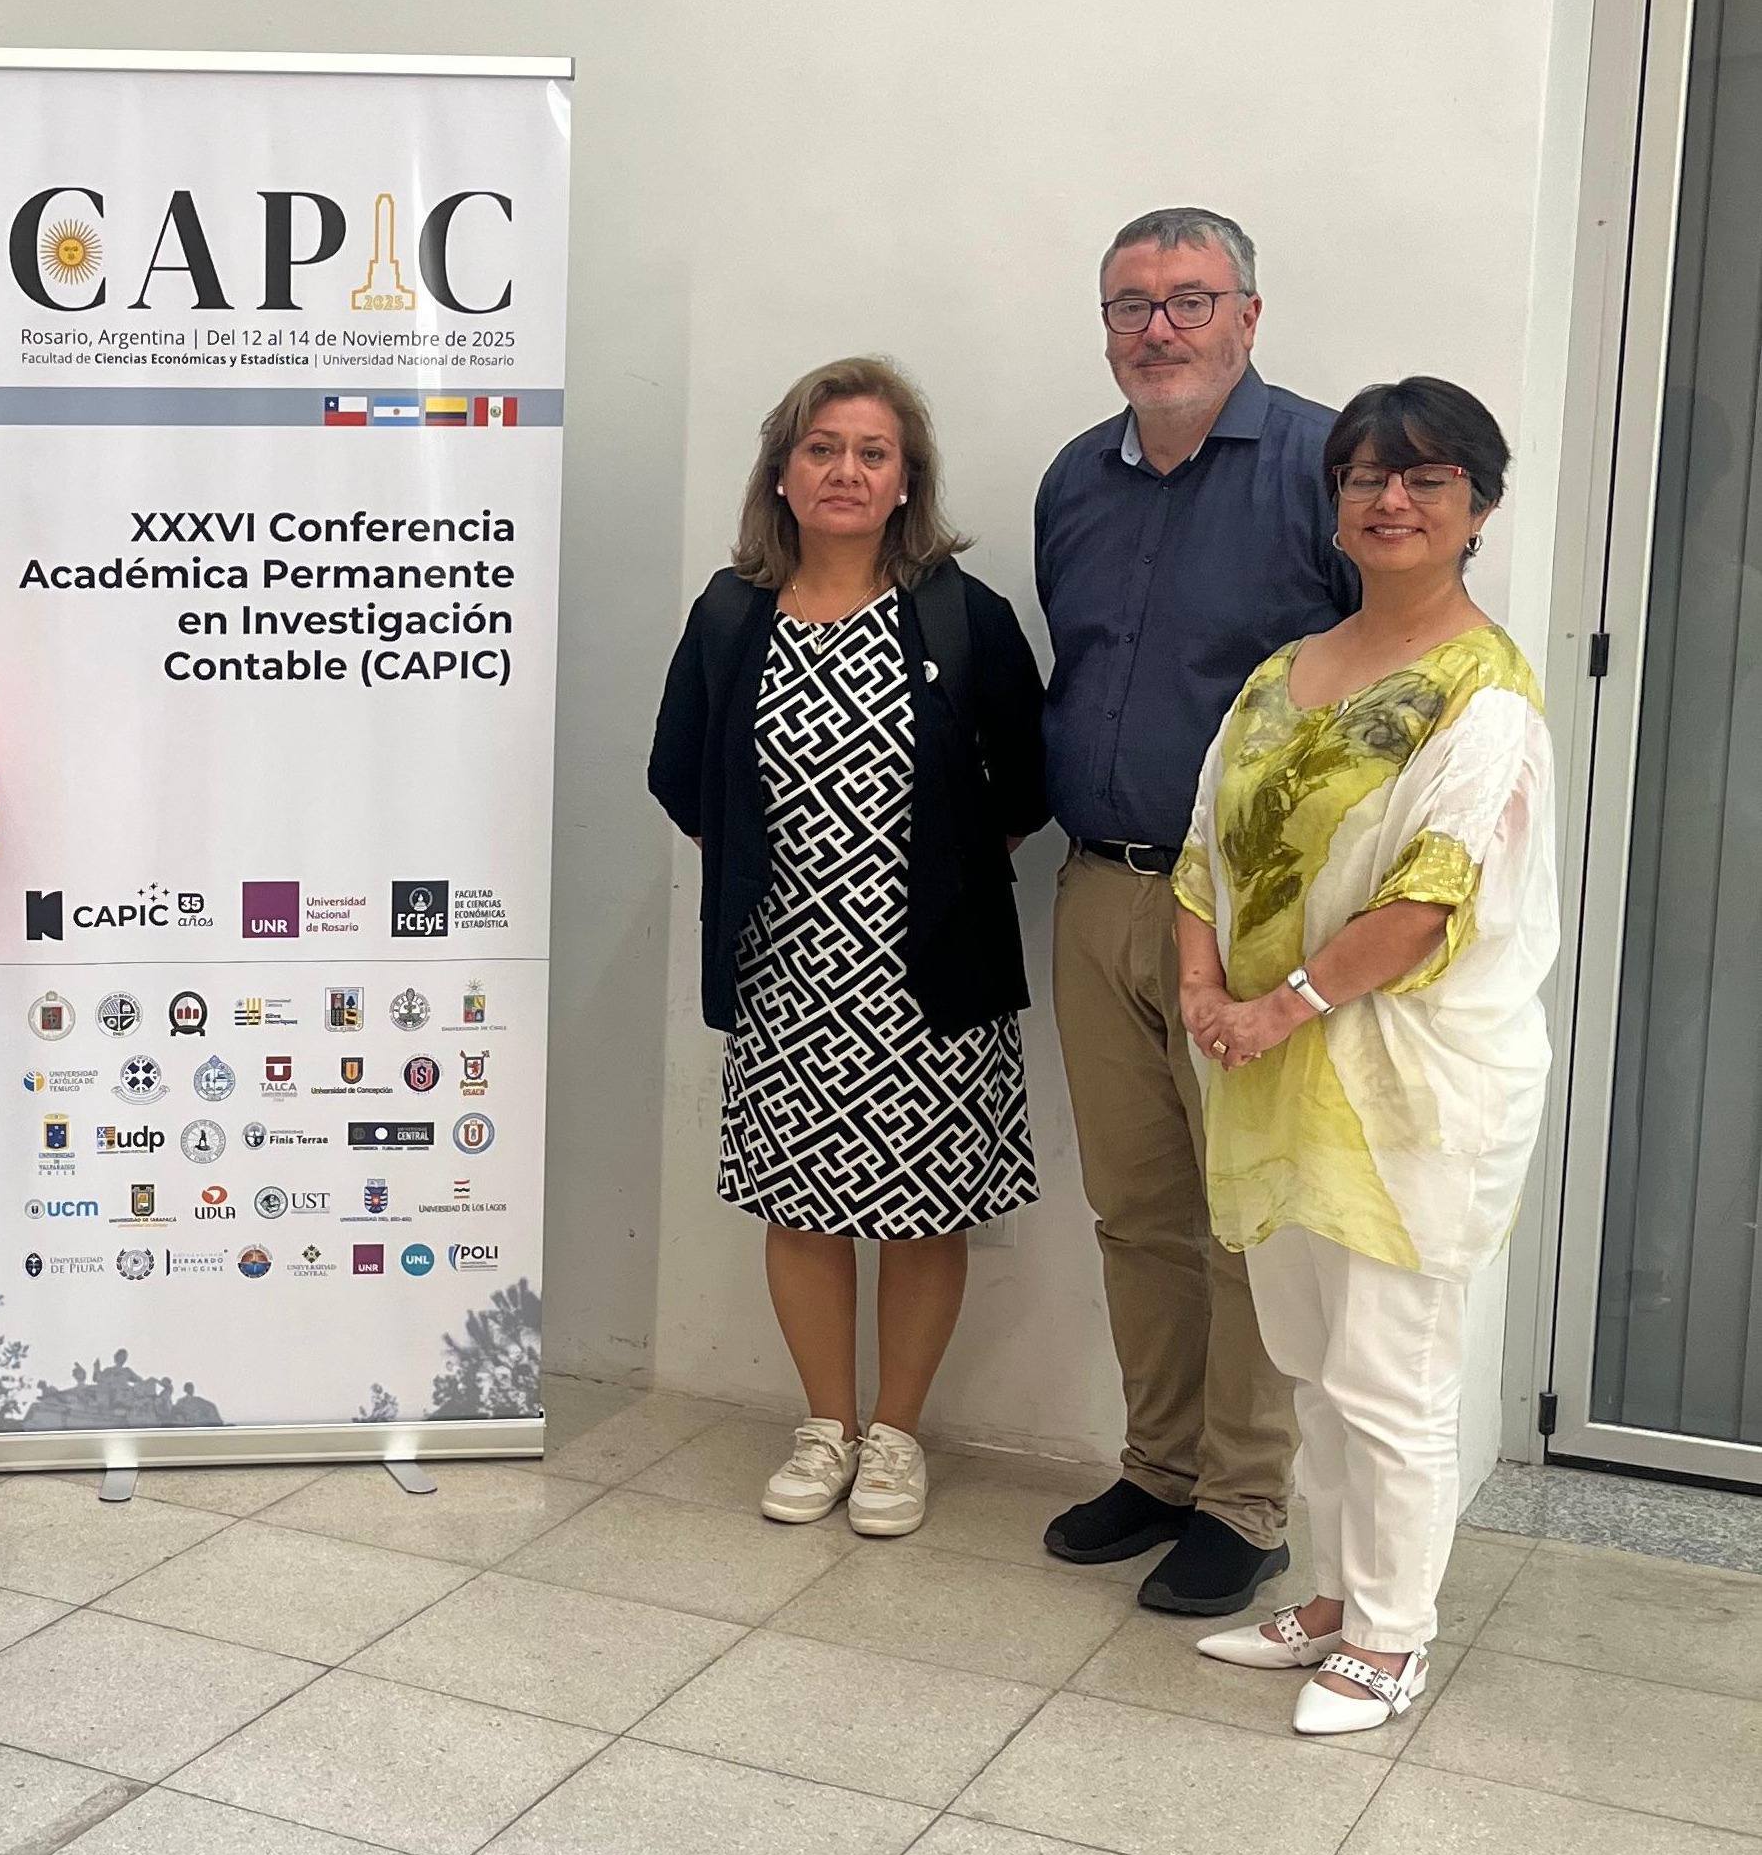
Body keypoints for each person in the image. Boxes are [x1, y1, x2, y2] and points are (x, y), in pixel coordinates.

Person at [1178, 379, 1556, 1732]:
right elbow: (1203, 849)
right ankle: (1335, 1596)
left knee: (1393, 1371)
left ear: (1478, 506)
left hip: (1408, 1087)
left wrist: (1271, 1006)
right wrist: (1204, 989)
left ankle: (1394, 1638)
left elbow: (1430, 895)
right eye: (1365, 476)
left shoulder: (1484, 694)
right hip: (1273, 1070)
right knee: (1314, 1361)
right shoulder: (1285, 670)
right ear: (1335, 501)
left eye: (1427, 477)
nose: (1391, 499)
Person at [649, 357, 1047, 1536]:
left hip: (932, 970)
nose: (845, 470)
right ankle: (825, 1426)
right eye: (821, 448)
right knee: (801, 1205)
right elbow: (681, 771)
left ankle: (896, 1437)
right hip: (785, 967)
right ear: (781, 471)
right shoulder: (732, 615)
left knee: (926, 1210)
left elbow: (1025, 781)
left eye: (873, 453)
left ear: (905, 480)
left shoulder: (962, 616)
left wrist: (930, 871)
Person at [1033, 207, 1357, 1616]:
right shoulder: (1074, 479)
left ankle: (1242, 1500)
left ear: (1248, 315)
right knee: (1136, 1208)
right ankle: (1160, 1467)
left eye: (1188, 299)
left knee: (1243, 1223)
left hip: (1244, 913)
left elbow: (1382, 673)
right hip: (1097, 889)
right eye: (1131, 304)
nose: (1157, 328)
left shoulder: (1326, 468)